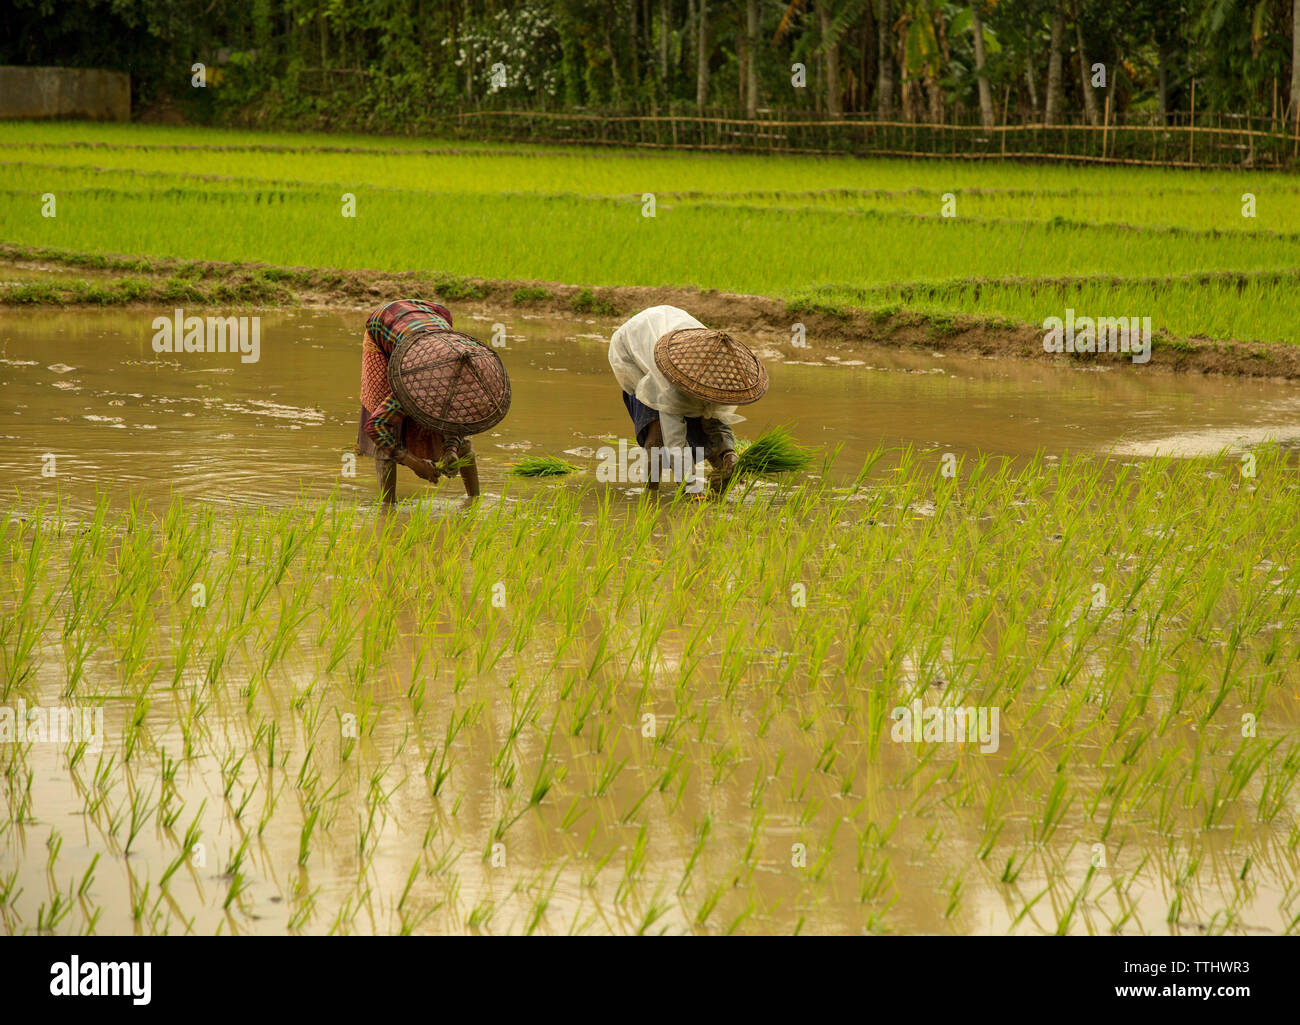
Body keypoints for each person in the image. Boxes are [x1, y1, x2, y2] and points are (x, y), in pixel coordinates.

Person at [608, 305, 769, 495]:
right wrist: (692, 489)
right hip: (635, 347)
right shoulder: (670, 389)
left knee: (706, 425)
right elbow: (674, 444)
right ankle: (650, 493)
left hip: (673, 328)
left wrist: (729, 455)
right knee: (657, 436)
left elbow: (716, 421)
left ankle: (724, 478)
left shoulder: (721, 374)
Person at [357, 299, 490, 504]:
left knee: (458, 434)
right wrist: (414, 463)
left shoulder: (460, 383)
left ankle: (474, 499)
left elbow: (459, 420)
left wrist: (452, 450)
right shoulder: (412, 386)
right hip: (385, 322)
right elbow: (375, 427)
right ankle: (387, 505)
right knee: (382, 406)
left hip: (432, 321)